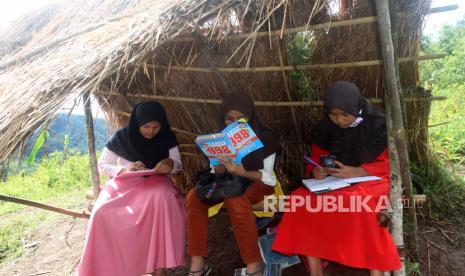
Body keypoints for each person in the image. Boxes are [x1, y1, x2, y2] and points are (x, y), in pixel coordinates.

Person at [272, 81, 401, 276]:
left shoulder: (379, 125)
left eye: (344, 114)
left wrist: (360, 171)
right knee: (301, 201)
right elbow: (316, 159)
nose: (339, 120)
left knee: (359, 203)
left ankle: (376, 270)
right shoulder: (325, 128)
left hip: (374, 179)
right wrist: (317, 170)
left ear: (356, 108)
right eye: (333, 114)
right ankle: (316, 271)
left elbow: (393, 166)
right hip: (335, 181)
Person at [78, 101, 186, 276]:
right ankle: (109, 268)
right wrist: (123, 169)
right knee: (101, 212)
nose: (151, 131)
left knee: (163, 197)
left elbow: (178, 164)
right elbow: (102, 165)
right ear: (137, 123)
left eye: (156, 127)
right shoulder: (122, 137)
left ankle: (159, 267)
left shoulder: (167, 137)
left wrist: (170, 163)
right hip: (124, 183)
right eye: (146, 126)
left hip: (155, 182)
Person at [186, 92, 279, 276]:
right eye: (229, 119)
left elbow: (267, 178)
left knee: (236, 201)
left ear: (250, 116)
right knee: (193, 198)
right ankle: (198, 262)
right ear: (223, 118)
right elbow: (216, 172)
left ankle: (254, 264)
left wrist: (241, 172)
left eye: (241, 118)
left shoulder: (266, 138)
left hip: (258, 182)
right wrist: (219, 166)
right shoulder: (221, 137)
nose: (235, 124)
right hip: (230, 181)